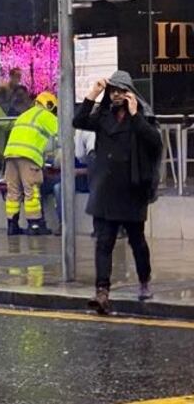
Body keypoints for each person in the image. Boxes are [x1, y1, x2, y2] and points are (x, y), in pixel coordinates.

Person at [73, 72, 162, 315]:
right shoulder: (102, 117)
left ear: (130, 92)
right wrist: (93, 94)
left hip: (132, 191)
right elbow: (78, 121)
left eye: (121, 91)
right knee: (104, 243)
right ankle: (102, 292)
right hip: (106, 191)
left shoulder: (142, 116)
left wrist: (135, 115)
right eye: (112, 91)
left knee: (138, 243)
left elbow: (154, 143)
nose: (116, 95)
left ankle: (144, 282)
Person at [2, 91, 59, 236]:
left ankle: (12, 226)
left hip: (10, 154)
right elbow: (62, 136)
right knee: (31, 190)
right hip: (28, 156)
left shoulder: (24, 115)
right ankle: (34, 225)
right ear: (50, 105)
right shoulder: (46, 116)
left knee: (13, 191)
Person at [50, 129, 96, 235]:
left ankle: (98, 227)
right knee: (58, 188)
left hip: (91, 178)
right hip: (77, 180)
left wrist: (79, 171)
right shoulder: (72, 145)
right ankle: (63, 224)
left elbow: (98, 168)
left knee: (99, 187)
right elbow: (59, 166)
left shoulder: (92, 142)